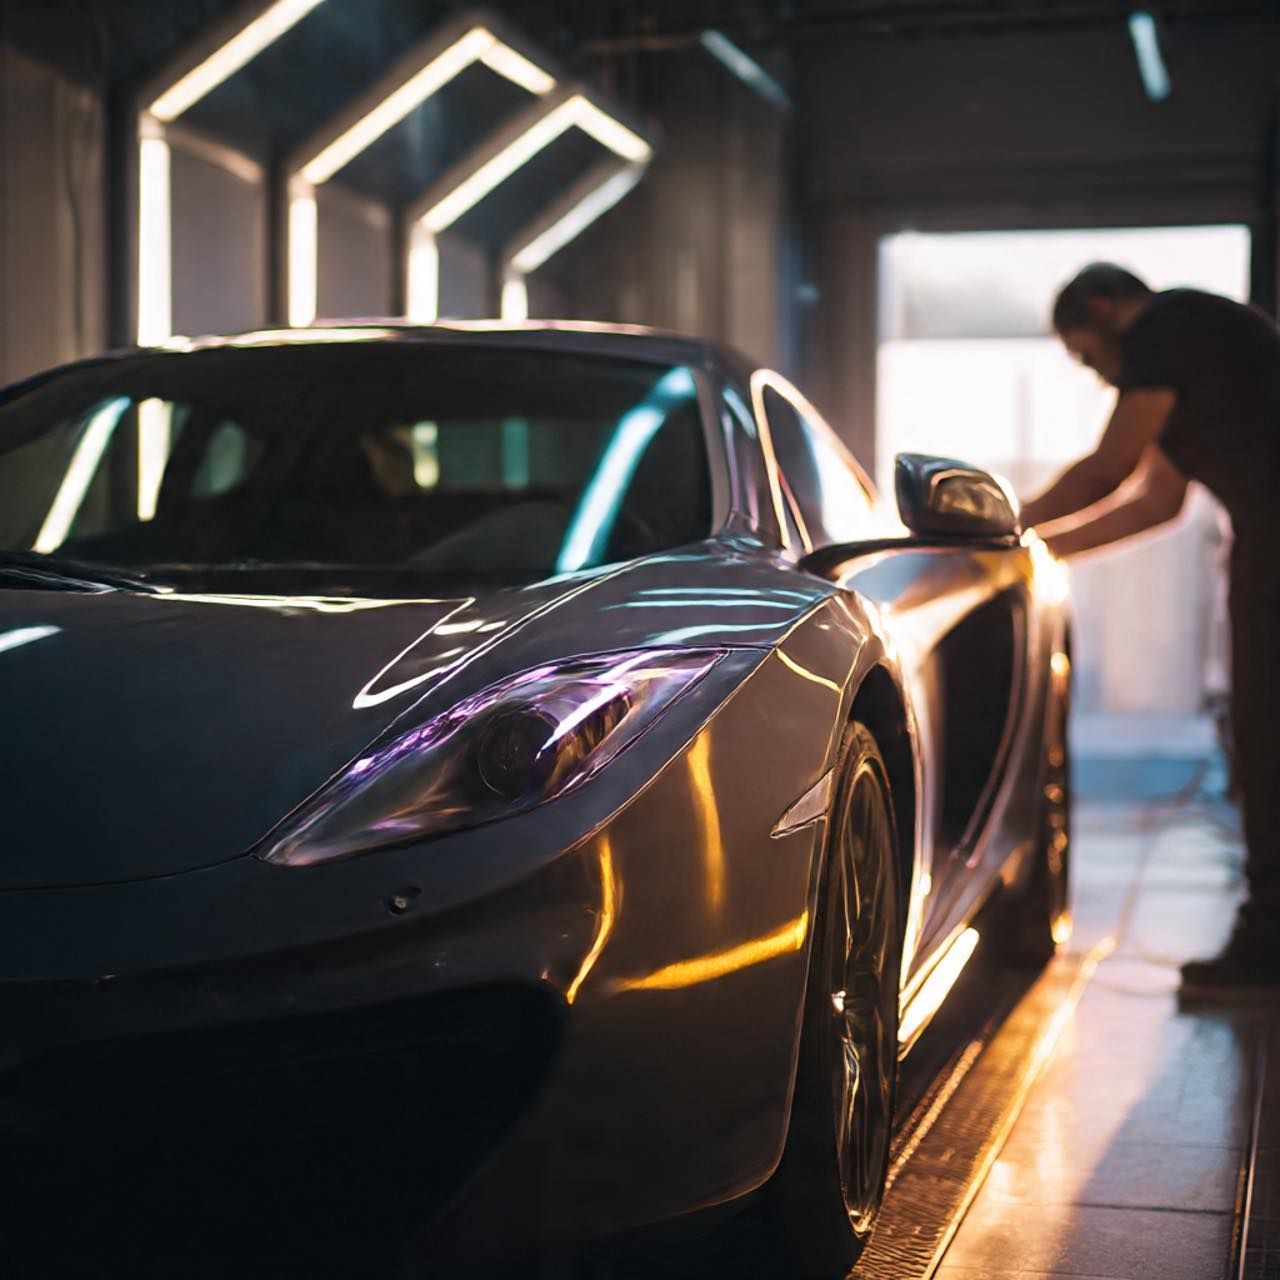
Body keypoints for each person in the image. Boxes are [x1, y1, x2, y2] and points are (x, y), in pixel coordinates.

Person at [1025, 262, 1280, 998]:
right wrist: (1033, 552)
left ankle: (1266, 950)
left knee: (1268, 741)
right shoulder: (1198, 344)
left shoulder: (1165, 330)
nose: (1103, 378)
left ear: (1103, 310)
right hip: (1265, 544)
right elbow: (1154, 503)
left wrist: (1002, 526)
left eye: (1088, 356)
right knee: (1262, 738)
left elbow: (1110, 468)